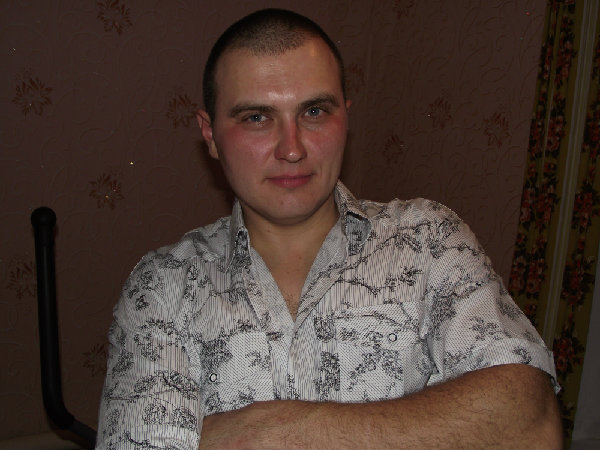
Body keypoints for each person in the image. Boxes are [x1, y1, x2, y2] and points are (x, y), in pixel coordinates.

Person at [96, 8, 563, 449]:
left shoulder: (429, 241)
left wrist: (269, 434)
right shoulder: (163, 287)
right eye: (256, 118)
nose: (292, 148)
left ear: (346, 117)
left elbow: (531, 423)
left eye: (314, 112)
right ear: (210, 134)